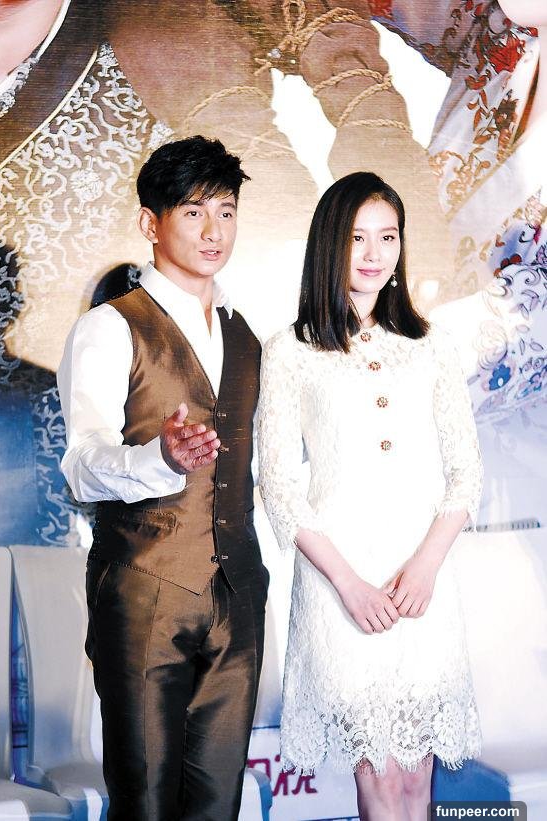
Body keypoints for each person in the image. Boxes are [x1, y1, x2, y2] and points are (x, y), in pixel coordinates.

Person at [257, 171, 483, 820]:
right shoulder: (290, 350)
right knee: (379, 775)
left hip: (422, 582)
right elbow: (279, 484)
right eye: (358, 237)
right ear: (331, 242)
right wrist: (349, 585)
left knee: (418, 779)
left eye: (388, 236)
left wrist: (426, 565)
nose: (374, 253)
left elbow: (466, 472)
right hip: (342, 585)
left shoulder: (430, 345)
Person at [57, 136, 269, 821]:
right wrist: (160, 459)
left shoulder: (245, 335)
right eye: (194, 211)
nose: (214, 231)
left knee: (218, 806)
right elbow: (82, 465)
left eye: (226, 212)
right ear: (151, 222)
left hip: (238, 597)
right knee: (145, 802)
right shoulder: (109, 328)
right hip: (144, 592)